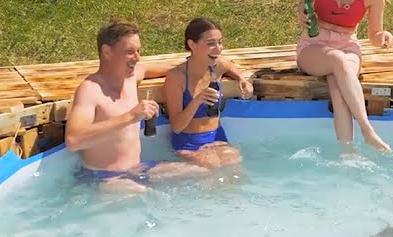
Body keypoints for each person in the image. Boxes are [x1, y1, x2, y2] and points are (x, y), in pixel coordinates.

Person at [64, 19, 213, 193]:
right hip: (102, 177)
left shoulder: (132, 76)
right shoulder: (90, 90)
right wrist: (130, 117)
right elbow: (73, 140)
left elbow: (177, 68)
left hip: (138, 170)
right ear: (107, 52)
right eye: (129, 52)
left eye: (138, 51)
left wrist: (227, 70)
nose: (137, 58)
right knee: (146, 196)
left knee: (202, 173)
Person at [296, 0, 393, 153]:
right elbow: (303, 3)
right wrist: (302, 12)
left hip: (348, 44)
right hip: (314, 44)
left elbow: (375, 34)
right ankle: (367, 130)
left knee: (339, 89)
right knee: (338, 60)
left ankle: (346, 153)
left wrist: (384, 37)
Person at [163, 18, 252, 169]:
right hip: (189, 142)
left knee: (235, 167)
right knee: (212, 167)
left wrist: (241, 79)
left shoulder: (216, 66)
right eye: (211, 43)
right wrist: (197, 101)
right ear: (192, 45)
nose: (218, 49)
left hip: (217, 136)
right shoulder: (177, 77)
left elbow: (229, 66)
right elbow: (177, 127)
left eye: (220, 42)